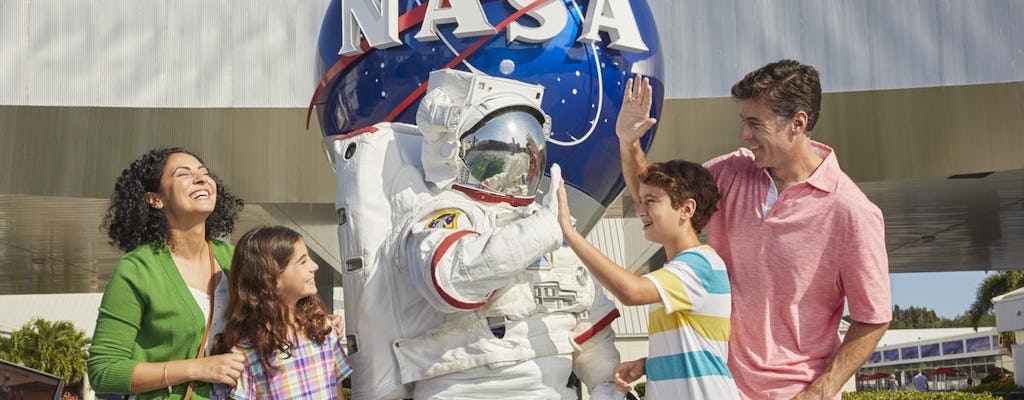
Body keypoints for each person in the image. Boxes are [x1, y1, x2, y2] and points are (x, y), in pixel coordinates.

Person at [326, 68, 622, 400]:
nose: (515, 166)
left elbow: (588, 325)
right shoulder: (441, 214)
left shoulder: (546, 223)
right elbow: (454, 280)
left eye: (525, 152)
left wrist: (605, 384)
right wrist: (546, 228)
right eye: (497, 154)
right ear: (455, 151)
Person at [617, 60, 892, 400]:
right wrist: (629, 144)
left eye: (754, 123)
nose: (744, 135)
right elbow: (655, 202)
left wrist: (821, 391)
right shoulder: (729, 172)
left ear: (797, 123)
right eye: (743, 121)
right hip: (722, 390)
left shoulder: (851, 211)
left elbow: (873, 317)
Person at [556, 159, 740, 400]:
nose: (641, 210)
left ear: (687, 209)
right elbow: (692, 346)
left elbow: (631, 292)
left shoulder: (700, 265)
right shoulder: (676, 271)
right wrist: (647, 365)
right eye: (640, 201)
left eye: (651, 201)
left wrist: (569, 233)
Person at [88, 148, 247, 400]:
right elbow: (103, 371)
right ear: (155, 199)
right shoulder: (137, 269)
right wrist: (196, 368)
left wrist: (319, 323)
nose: (200, 178)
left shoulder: (235, 258)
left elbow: (274, 317)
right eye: (184, 174)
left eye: (204, 173)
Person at [210, 226, 352, 399]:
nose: (314, 266)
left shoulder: (323, 328)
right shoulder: (245, 353)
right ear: (271, 279)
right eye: (303, 261)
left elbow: (335, 387)